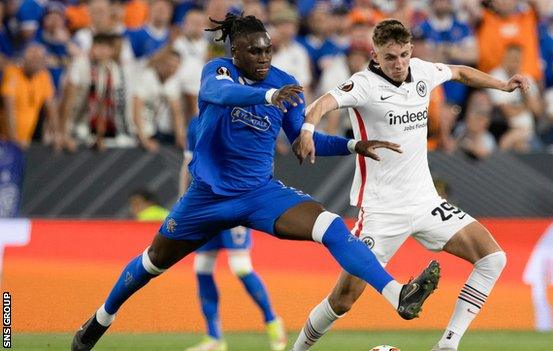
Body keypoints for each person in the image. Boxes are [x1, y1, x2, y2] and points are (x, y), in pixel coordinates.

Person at [71, 13, 440, 351]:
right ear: (236, 52)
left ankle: (398, 294)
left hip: (258, 194)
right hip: (207, 197)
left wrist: (352, 144)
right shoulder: (218, 72)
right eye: (255, 51)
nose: (264, 58)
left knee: (331, 225)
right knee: (152, 263)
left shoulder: (286, 84)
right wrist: (266, 95)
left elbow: (301, 142)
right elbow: (218, 95)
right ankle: (102, 318)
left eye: (268, 50)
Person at [292, 19, 528, 351]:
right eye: (390, 57)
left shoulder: (422, 71)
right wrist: (307, 131)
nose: (399, 64)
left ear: (411, 50)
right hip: (382, 210)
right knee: (343, 299)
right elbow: (321, 104)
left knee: (493, 258)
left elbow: (460, 71)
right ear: (375, 54)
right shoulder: (363, 84)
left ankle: (447, 344)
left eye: (403, 55)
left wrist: (501, 85)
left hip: (426, 202)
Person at [181, 117, 287, 351]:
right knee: (202, 267)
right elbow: (188, 164)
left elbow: (261, 162)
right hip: (205, 204)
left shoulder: (241, 118)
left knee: (240, 266)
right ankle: (214, 338)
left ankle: (272, 320)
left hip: (235, 201)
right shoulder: (196, 124)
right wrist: (183, 204)